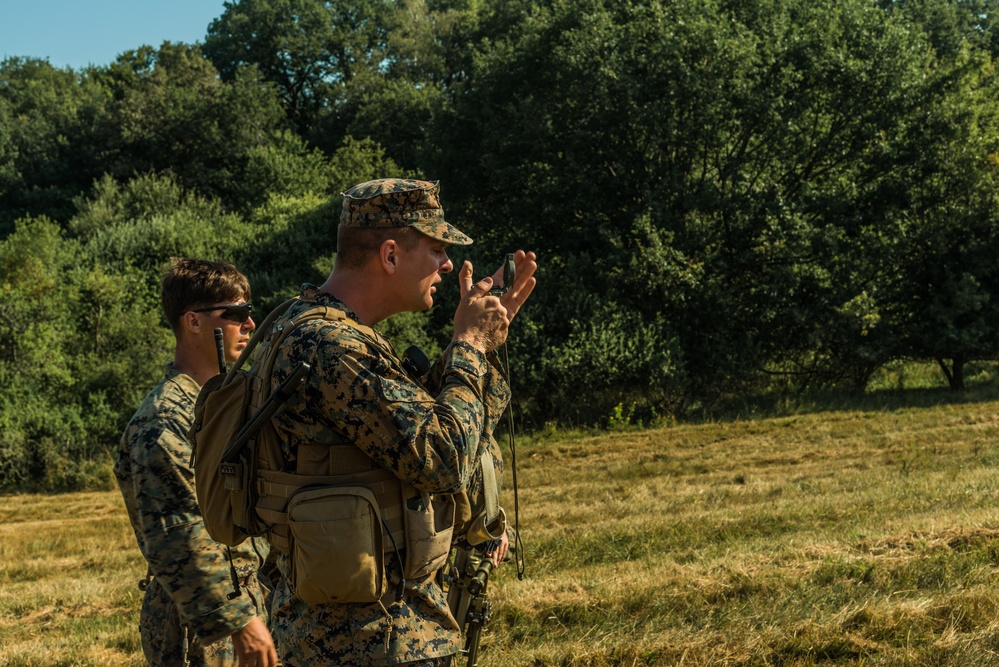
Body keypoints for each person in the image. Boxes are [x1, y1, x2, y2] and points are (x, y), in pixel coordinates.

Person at [251, 178, 537, 666]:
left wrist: (478, 349)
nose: (447, 265)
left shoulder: (321, 333)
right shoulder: (332, 347)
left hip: (356, 632)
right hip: (366, 639)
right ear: (389, 255)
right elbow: (443, 458)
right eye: (436, 249)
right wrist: (470, 347)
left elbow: (428, 429)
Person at [114, 258, 278, 667]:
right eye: (235, 314)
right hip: (202, 624)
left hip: (247, 602)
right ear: (193, 321)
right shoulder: (164, 417)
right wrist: (241, 623)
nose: (250, 325)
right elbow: (176, 533)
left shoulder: (224, 406)